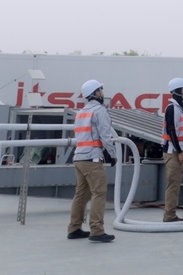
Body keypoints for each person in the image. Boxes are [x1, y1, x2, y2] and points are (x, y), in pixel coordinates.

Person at [65, 80, 117, 243]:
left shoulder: (81, 112)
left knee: (81, 195)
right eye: (100, 89)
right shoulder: (99, 111)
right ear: (96, 93)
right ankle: (97, 230)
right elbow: (105, 135)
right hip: (92, 159)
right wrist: (112, 154)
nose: (102, 92)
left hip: (79, 157)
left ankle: (74, 228)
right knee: (99, 193)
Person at [160, 77, 183, 223]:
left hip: (176, 150)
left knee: (175, 183)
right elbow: (172, 131)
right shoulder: (173, 108)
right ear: (179, 90)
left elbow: (178, 132)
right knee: (173, 184)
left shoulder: (178, 108)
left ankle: (171, 214)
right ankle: (169, 215)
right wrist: (179, 152)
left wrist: (182, 150)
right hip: (172, 151)